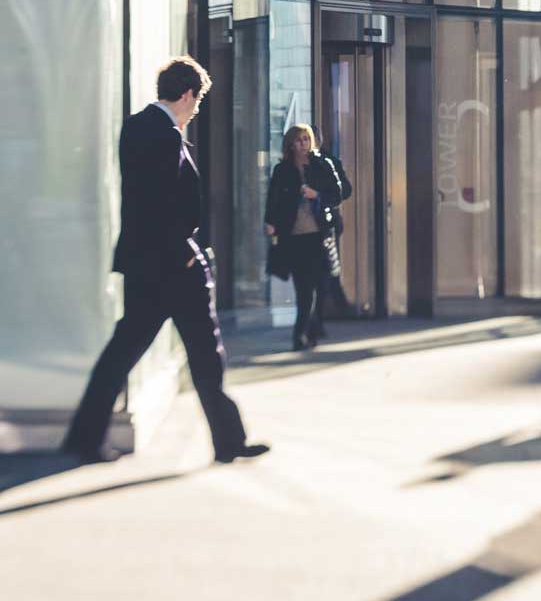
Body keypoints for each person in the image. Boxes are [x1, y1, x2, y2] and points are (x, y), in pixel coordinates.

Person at [63, 57, 269, 465]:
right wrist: (184, 255)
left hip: (146, 265)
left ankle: (85, 438)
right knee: (205, 354)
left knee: (123, 352)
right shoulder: (166, 136)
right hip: (174, 268)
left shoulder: (138, 126)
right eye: (198, 101)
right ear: (188, 94)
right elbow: (164, 204)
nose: (196, 110)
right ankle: (228, 442)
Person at [264, 124, 342, 350]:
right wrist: (270, 222)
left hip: (318, 234)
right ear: (290, 144)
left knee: (319, 285)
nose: (302, 144)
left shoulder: (321, 166)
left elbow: (337, 194)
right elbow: (273, 198)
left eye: (306, 139)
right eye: (298, 140)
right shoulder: (283, 170)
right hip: (294, 236)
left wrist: (316, 194)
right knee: (303, 288)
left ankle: (309, 329)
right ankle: (301, 334)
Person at [311, 125, 353, 320]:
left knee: (328, 267)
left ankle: (335, 308)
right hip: (304, 225)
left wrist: (322, 195)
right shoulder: (294, 164)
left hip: (326, 222)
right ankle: (338, 306)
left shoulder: (329, 162)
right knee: (322, 269)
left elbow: (344, 189)